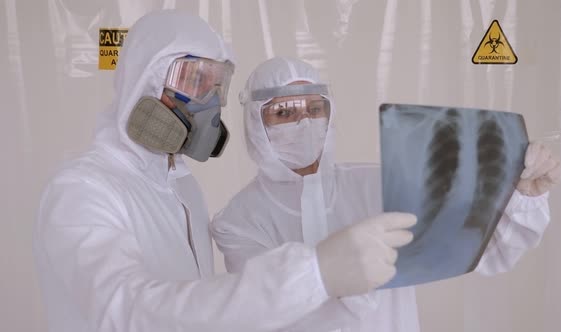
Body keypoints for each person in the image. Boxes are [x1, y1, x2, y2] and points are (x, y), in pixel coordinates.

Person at [33, 11, 418, 332]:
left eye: (217, 86)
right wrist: (313, 274)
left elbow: (206, 309)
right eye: (195, 80)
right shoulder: (83, 189)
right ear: (142, 79)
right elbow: (127, 311)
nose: (210, 104)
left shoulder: (183, 190)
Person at [210, 56, 561, 331]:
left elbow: (484, 252)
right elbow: (269, 311)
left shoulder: (383, 185)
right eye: (283, 112)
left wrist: (521, 196)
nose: (303, 122)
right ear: (256, 123)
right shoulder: (238, 221)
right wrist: (352, 274)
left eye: (314, 108)